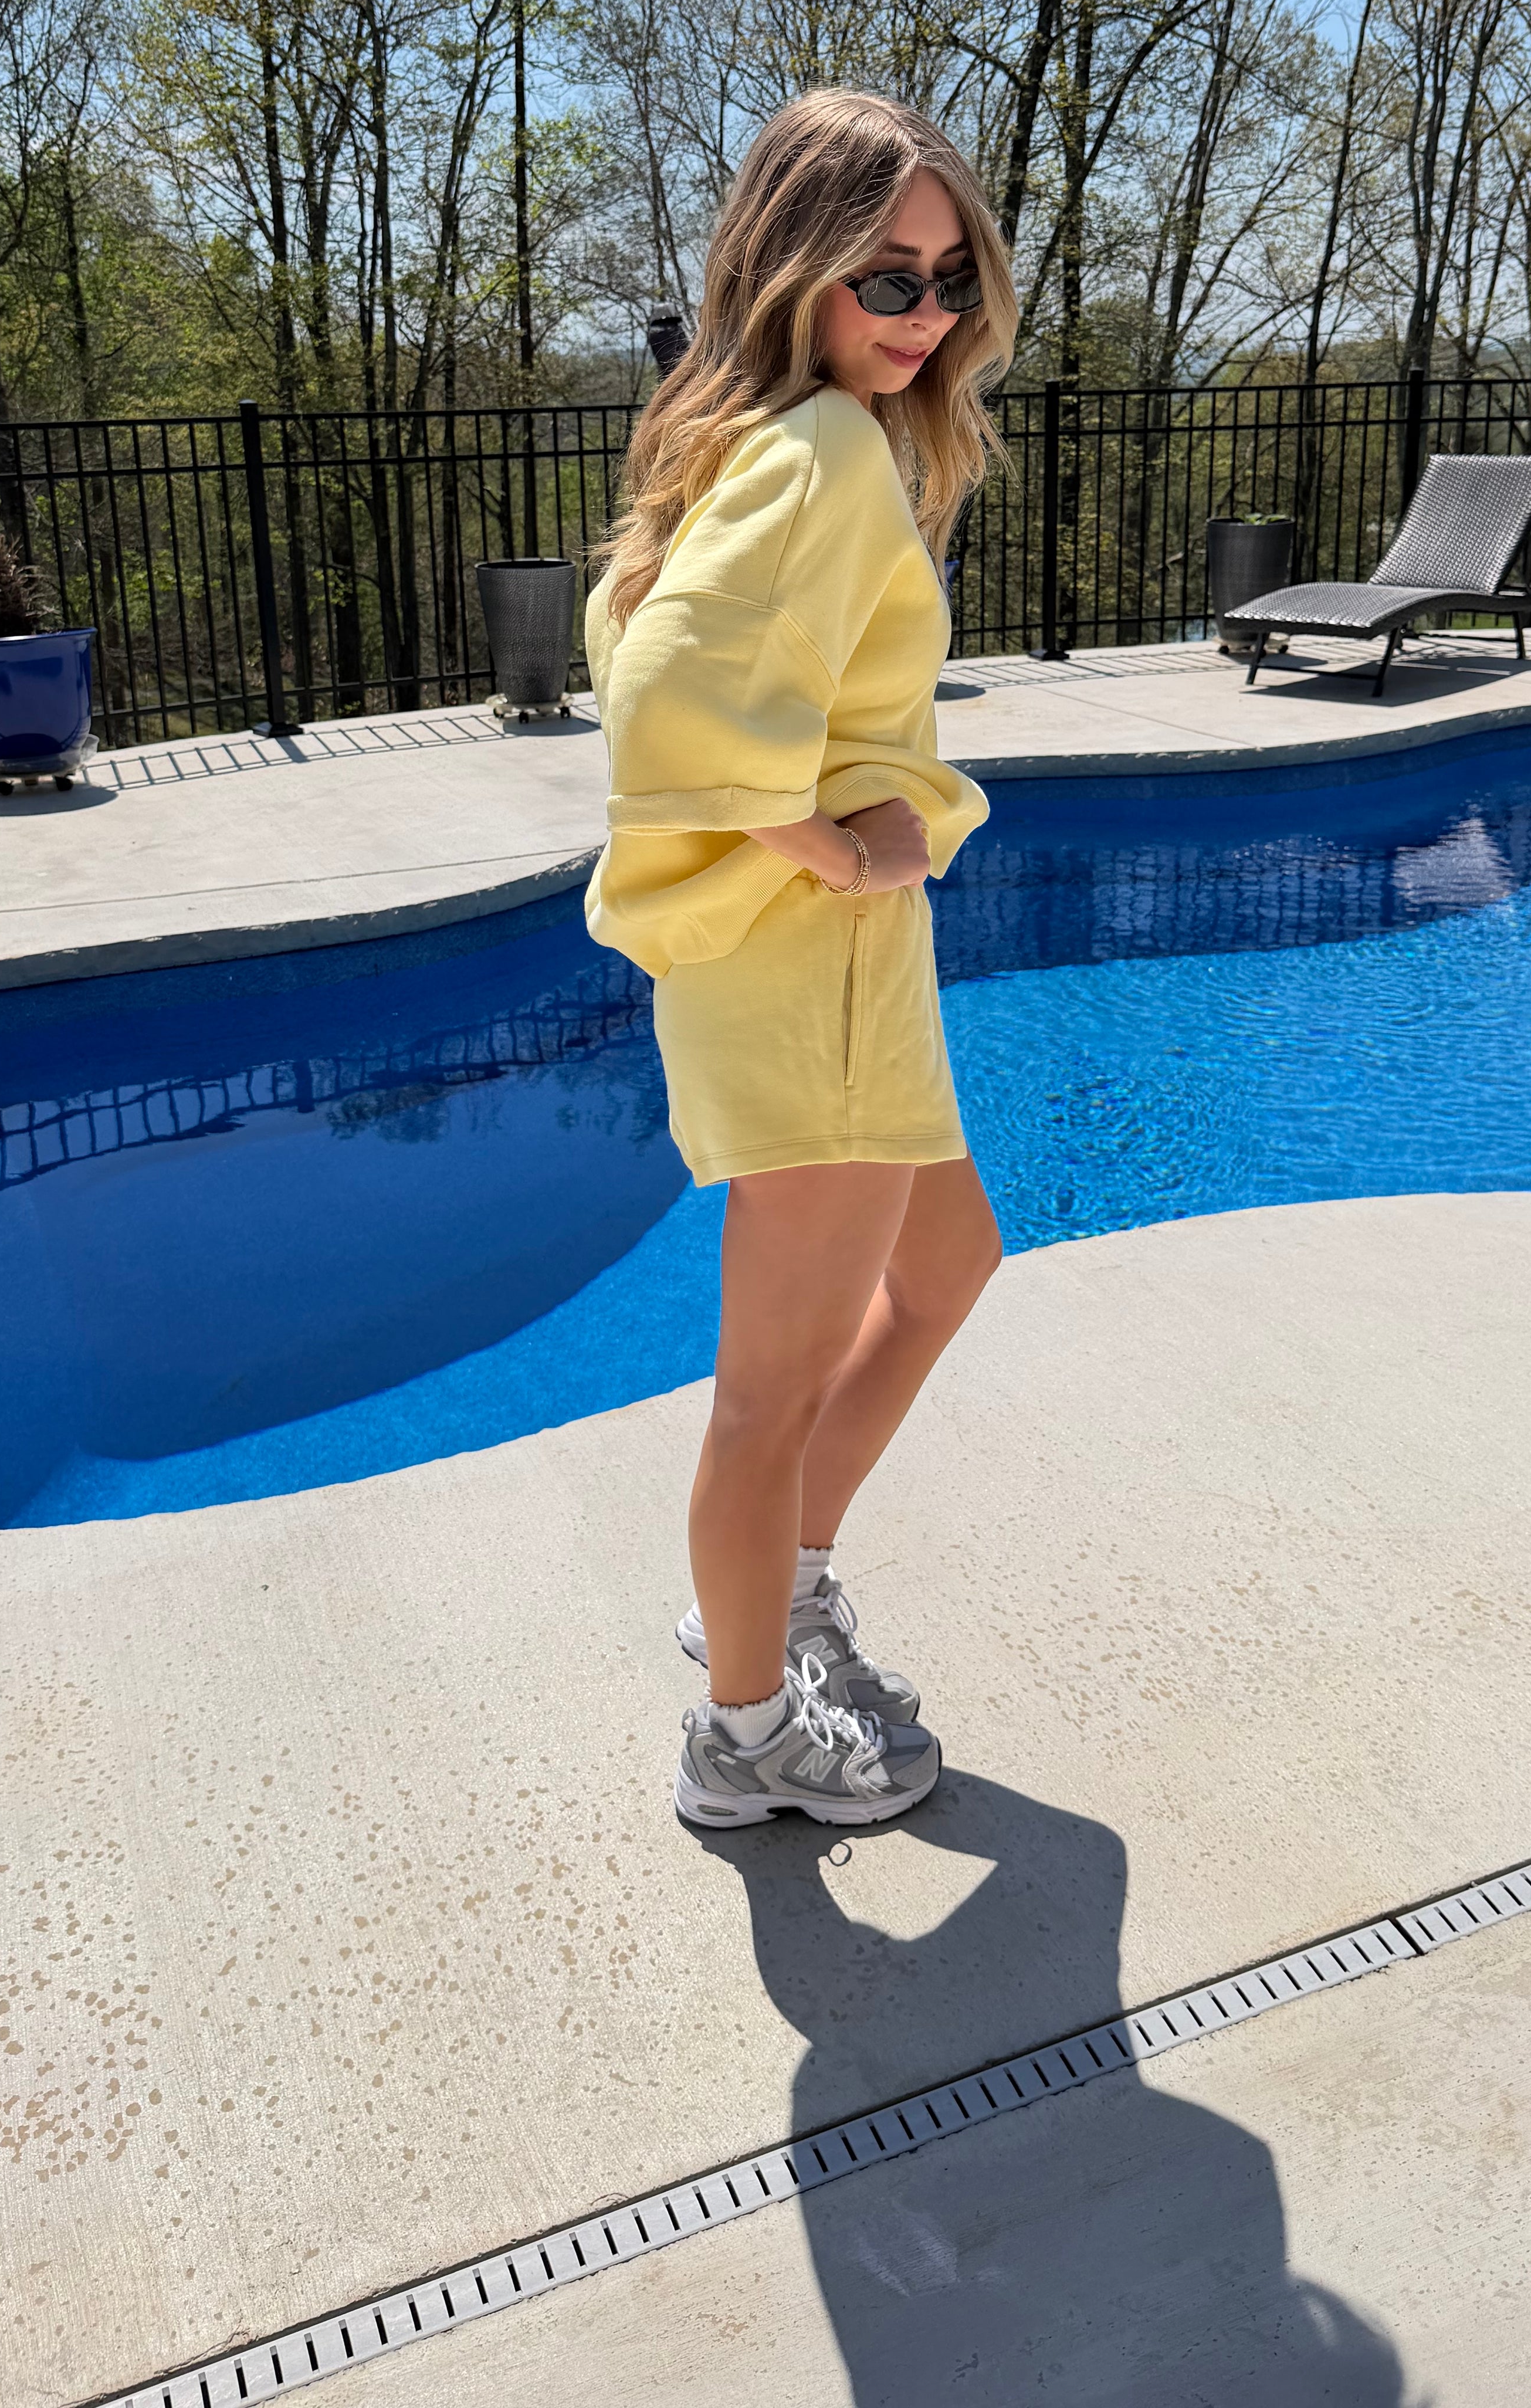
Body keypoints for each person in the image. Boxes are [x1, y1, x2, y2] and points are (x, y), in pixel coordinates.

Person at [586, 89, 1019, 1830]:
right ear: (796, 274)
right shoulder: (825, 448)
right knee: (766, 1392)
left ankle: (787, 1584)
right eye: (885, 282)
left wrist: (863, 822)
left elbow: (675, 658)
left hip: (827, 969)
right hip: (816, 968)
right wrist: (835, 840)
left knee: (952, 1265)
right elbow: (668, 697)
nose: (923, 321)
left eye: (948, 283)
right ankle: (743, 1728)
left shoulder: (770, 433)